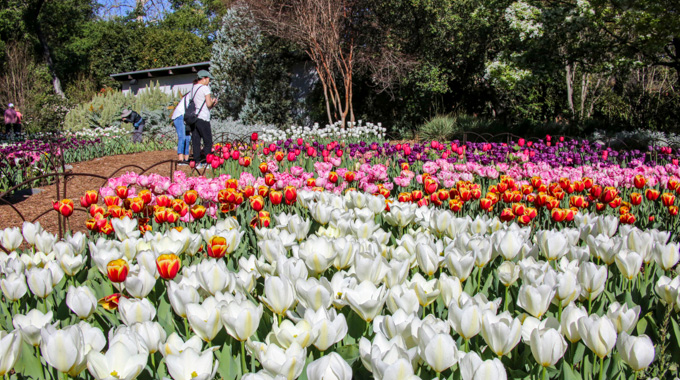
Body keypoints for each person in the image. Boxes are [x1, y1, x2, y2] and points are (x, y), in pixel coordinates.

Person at [188, 70, 217, 169]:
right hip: (203, 118)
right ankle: (207, 161)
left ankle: (197, 162)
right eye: (208, 79)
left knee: (196, 140)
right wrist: (213, 102)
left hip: (194, 118)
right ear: (204, 78)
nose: (209, 81)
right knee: (207, 141)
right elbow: (208, 105)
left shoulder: (193, 88)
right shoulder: (205, 88)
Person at [172, 90, 191, 165]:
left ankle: (186, 158)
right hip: (179, 117)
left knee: (188, 138)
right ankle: (180, 159)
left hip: (186, 118)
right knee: (182, 137)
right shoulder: (190, 96)